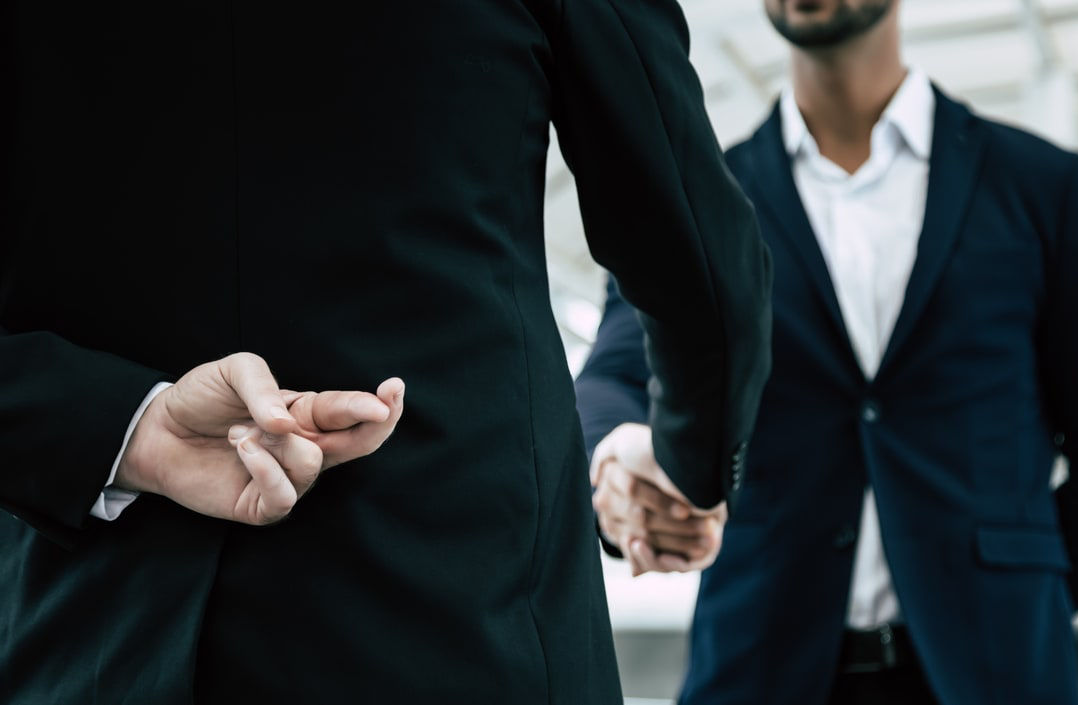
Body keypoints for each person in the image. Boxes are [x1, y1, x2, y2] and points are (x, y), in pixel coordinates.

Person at [0, 1, 772, 703]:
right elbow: (701, 258)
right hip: (464, 629)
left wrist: (131, 428)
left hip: (85, 645)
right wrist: (688, 464)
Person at [575, 0, 1078, 703]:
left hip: (989, 679)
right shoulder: (702, 198)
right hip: (760, 670)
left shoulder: (1044, 189)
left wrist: (1013, 601)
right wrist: (615, 463)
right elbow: (610, 379)